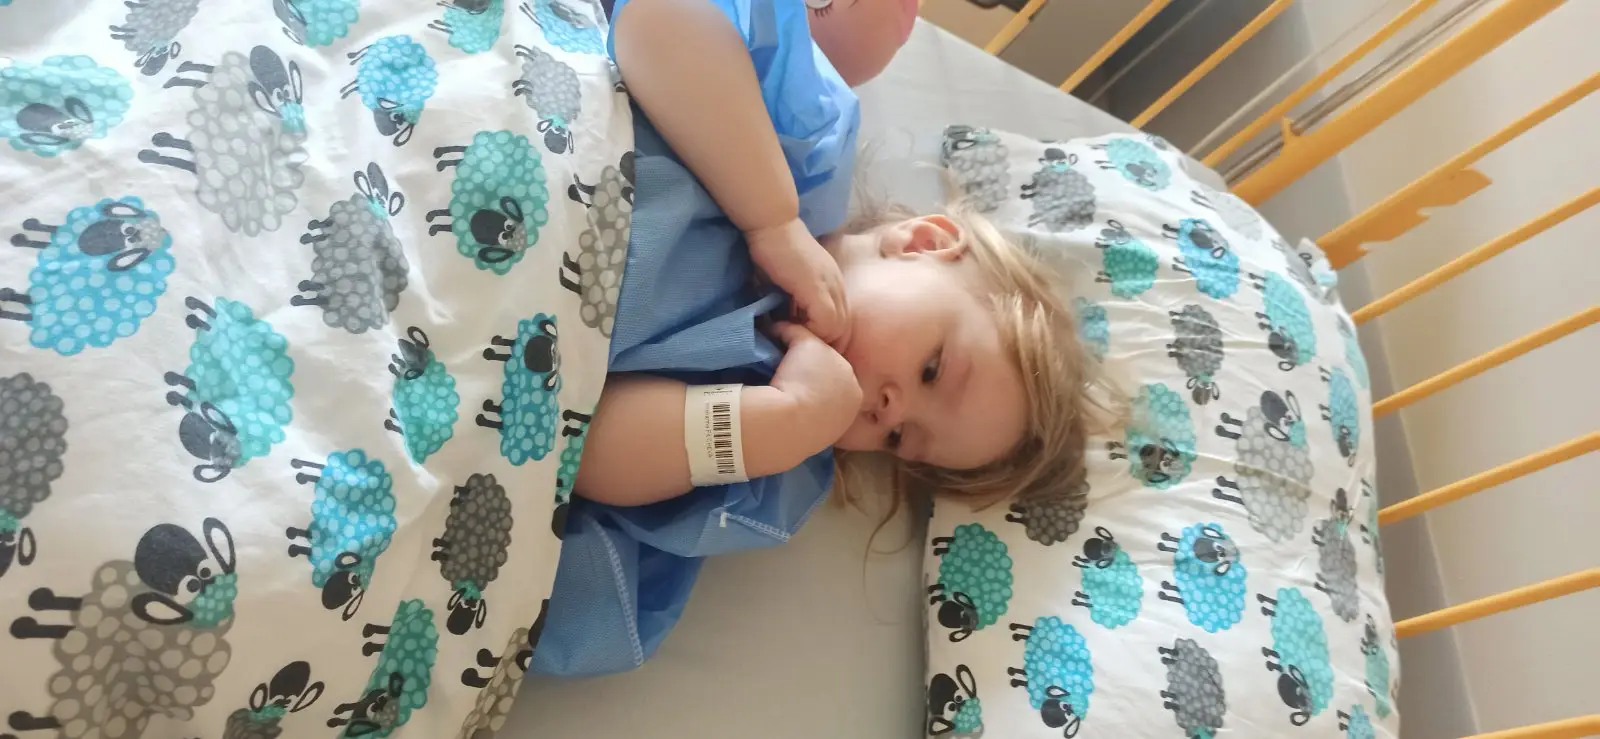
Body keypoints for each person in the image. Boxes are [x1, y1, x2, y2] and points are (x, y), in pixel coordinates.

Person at [531, 0, 1098, 676]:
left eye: (900, 437)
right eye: (931, 369)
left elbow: (573, 451)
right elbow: (655, 23)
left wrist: (774, 422)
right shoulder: (805, 156)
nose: (888, 409)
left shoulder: (778, 452)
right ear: (923, 243)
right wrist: (771, 220)